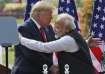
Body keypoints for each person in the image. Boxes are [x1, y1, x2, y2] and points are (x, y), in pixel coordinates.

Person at [19, 13, 96, 74]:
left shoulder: (67, 40)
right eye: (55, 27)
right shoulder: (74, 35)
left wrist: (21, 40)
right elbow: (74, 46)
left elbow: (44, 47)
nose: (54, 30)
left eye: (58, 27)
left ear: (67, 29)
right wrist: (86, 42)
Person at [11, 1, 55, 74]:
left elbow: (54, 46)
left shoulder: (49, 28)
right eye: (49, 14)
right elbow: (31, 53)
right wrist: (50, 66)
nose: (51, 17)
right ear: (38, 15)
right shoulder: (24, 29)